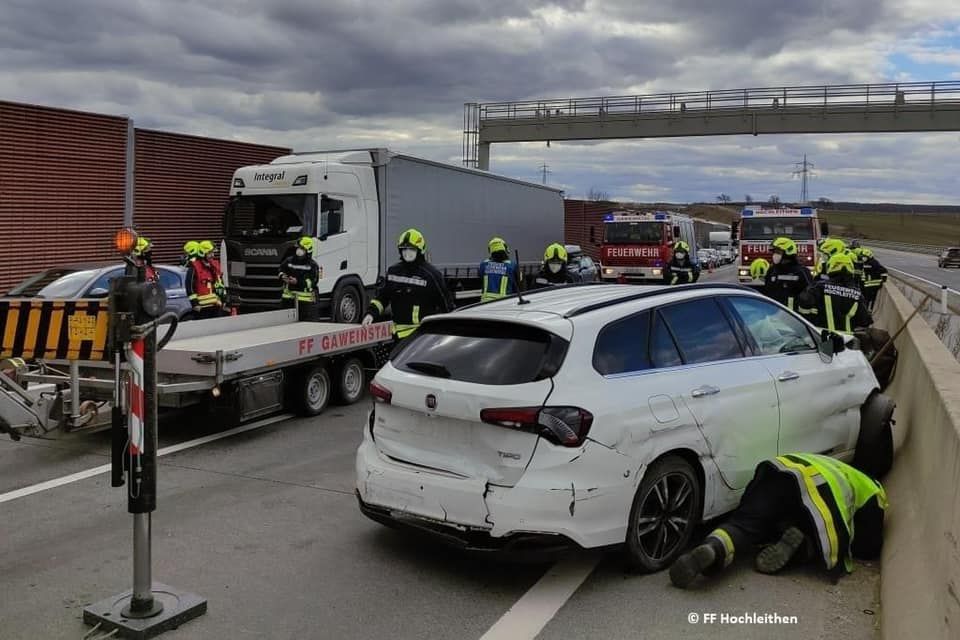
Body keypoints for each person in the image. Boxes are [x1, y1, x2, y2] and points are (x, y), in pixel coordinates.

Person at [669, 453, 887, 589]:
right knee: (819, 529)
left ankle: (714, 547)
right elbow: (869, 546)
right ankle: (804, 546)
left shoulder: (835, 463)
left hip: (780, 470)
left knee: (746, 525)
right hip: (819, 491)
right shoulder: (873, 488)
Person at [361, 228, 454, 341]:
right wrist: (370, 314)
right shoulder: (393, 271)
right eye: (404, 249)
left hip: (421, 335)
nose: (407, 253)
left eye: (411, 249)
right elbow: (382, 298)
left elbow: (446, 306)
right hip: (397, 335)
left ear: (420, 250)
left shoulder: (432, 275)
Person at [797, 252, 872, 334]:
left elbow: (803, 308)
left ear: (830, 267)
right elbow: (865, 321)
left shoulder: (818, 287)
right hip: (846, 339)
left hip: (820, 336)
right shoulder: (857, 294)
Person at [763, 237, 813, 311]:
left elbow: (809, 295)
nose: (774, 255)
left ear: (788, 253)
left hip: (793, 315)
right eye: (774, 252)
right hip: (773, 314)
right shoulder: (772, 270)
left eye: (778, 252)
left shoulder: (801, 272)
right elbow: (767, 291)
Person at [279, 236, 321, 320]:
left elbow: (313, 282)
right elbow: (281, 269)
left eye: (301, 248)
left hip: (305, 303)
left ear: (308, 250)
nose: (298, 250)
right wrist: (282, 276)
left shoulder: (312, 265)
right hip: (288, 300)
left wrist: (297, 282)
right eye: (298, 247)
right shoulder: (289, 260)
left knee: (304, 327)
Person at [185, 240, 225, 319]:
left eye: (213, 252)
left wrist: (223, 299)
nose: (212, 255)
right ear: (202, 253)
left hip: (215, 306)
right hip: (202, 308)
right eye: (210, 253)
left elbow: (220, 284)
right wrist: (195, 304)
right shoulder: (194, 268)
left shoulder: (214, 266)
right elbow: (189, 287)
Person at [479, 237, 519, 302]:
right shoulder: (512, 266)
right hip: (504, 303)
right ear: (505, 249)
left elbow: (481, 280)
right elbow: (518, 286)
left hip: (485, 304)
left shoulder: (483, 265)